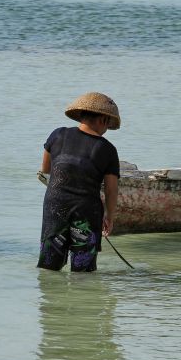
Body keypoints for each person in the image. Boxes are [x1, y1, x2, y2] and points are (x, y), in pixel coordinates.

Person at [37, 92, 121, 272]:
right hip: (86, 212)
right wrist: (110, 217)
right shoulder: (107, 150)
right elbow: (111, 190)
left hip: (55, 206)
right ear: (103, 120)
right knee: (83, 271)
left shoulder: (57, 135)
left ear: (82, 115)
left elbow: (45, 170)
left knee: (49, 267)